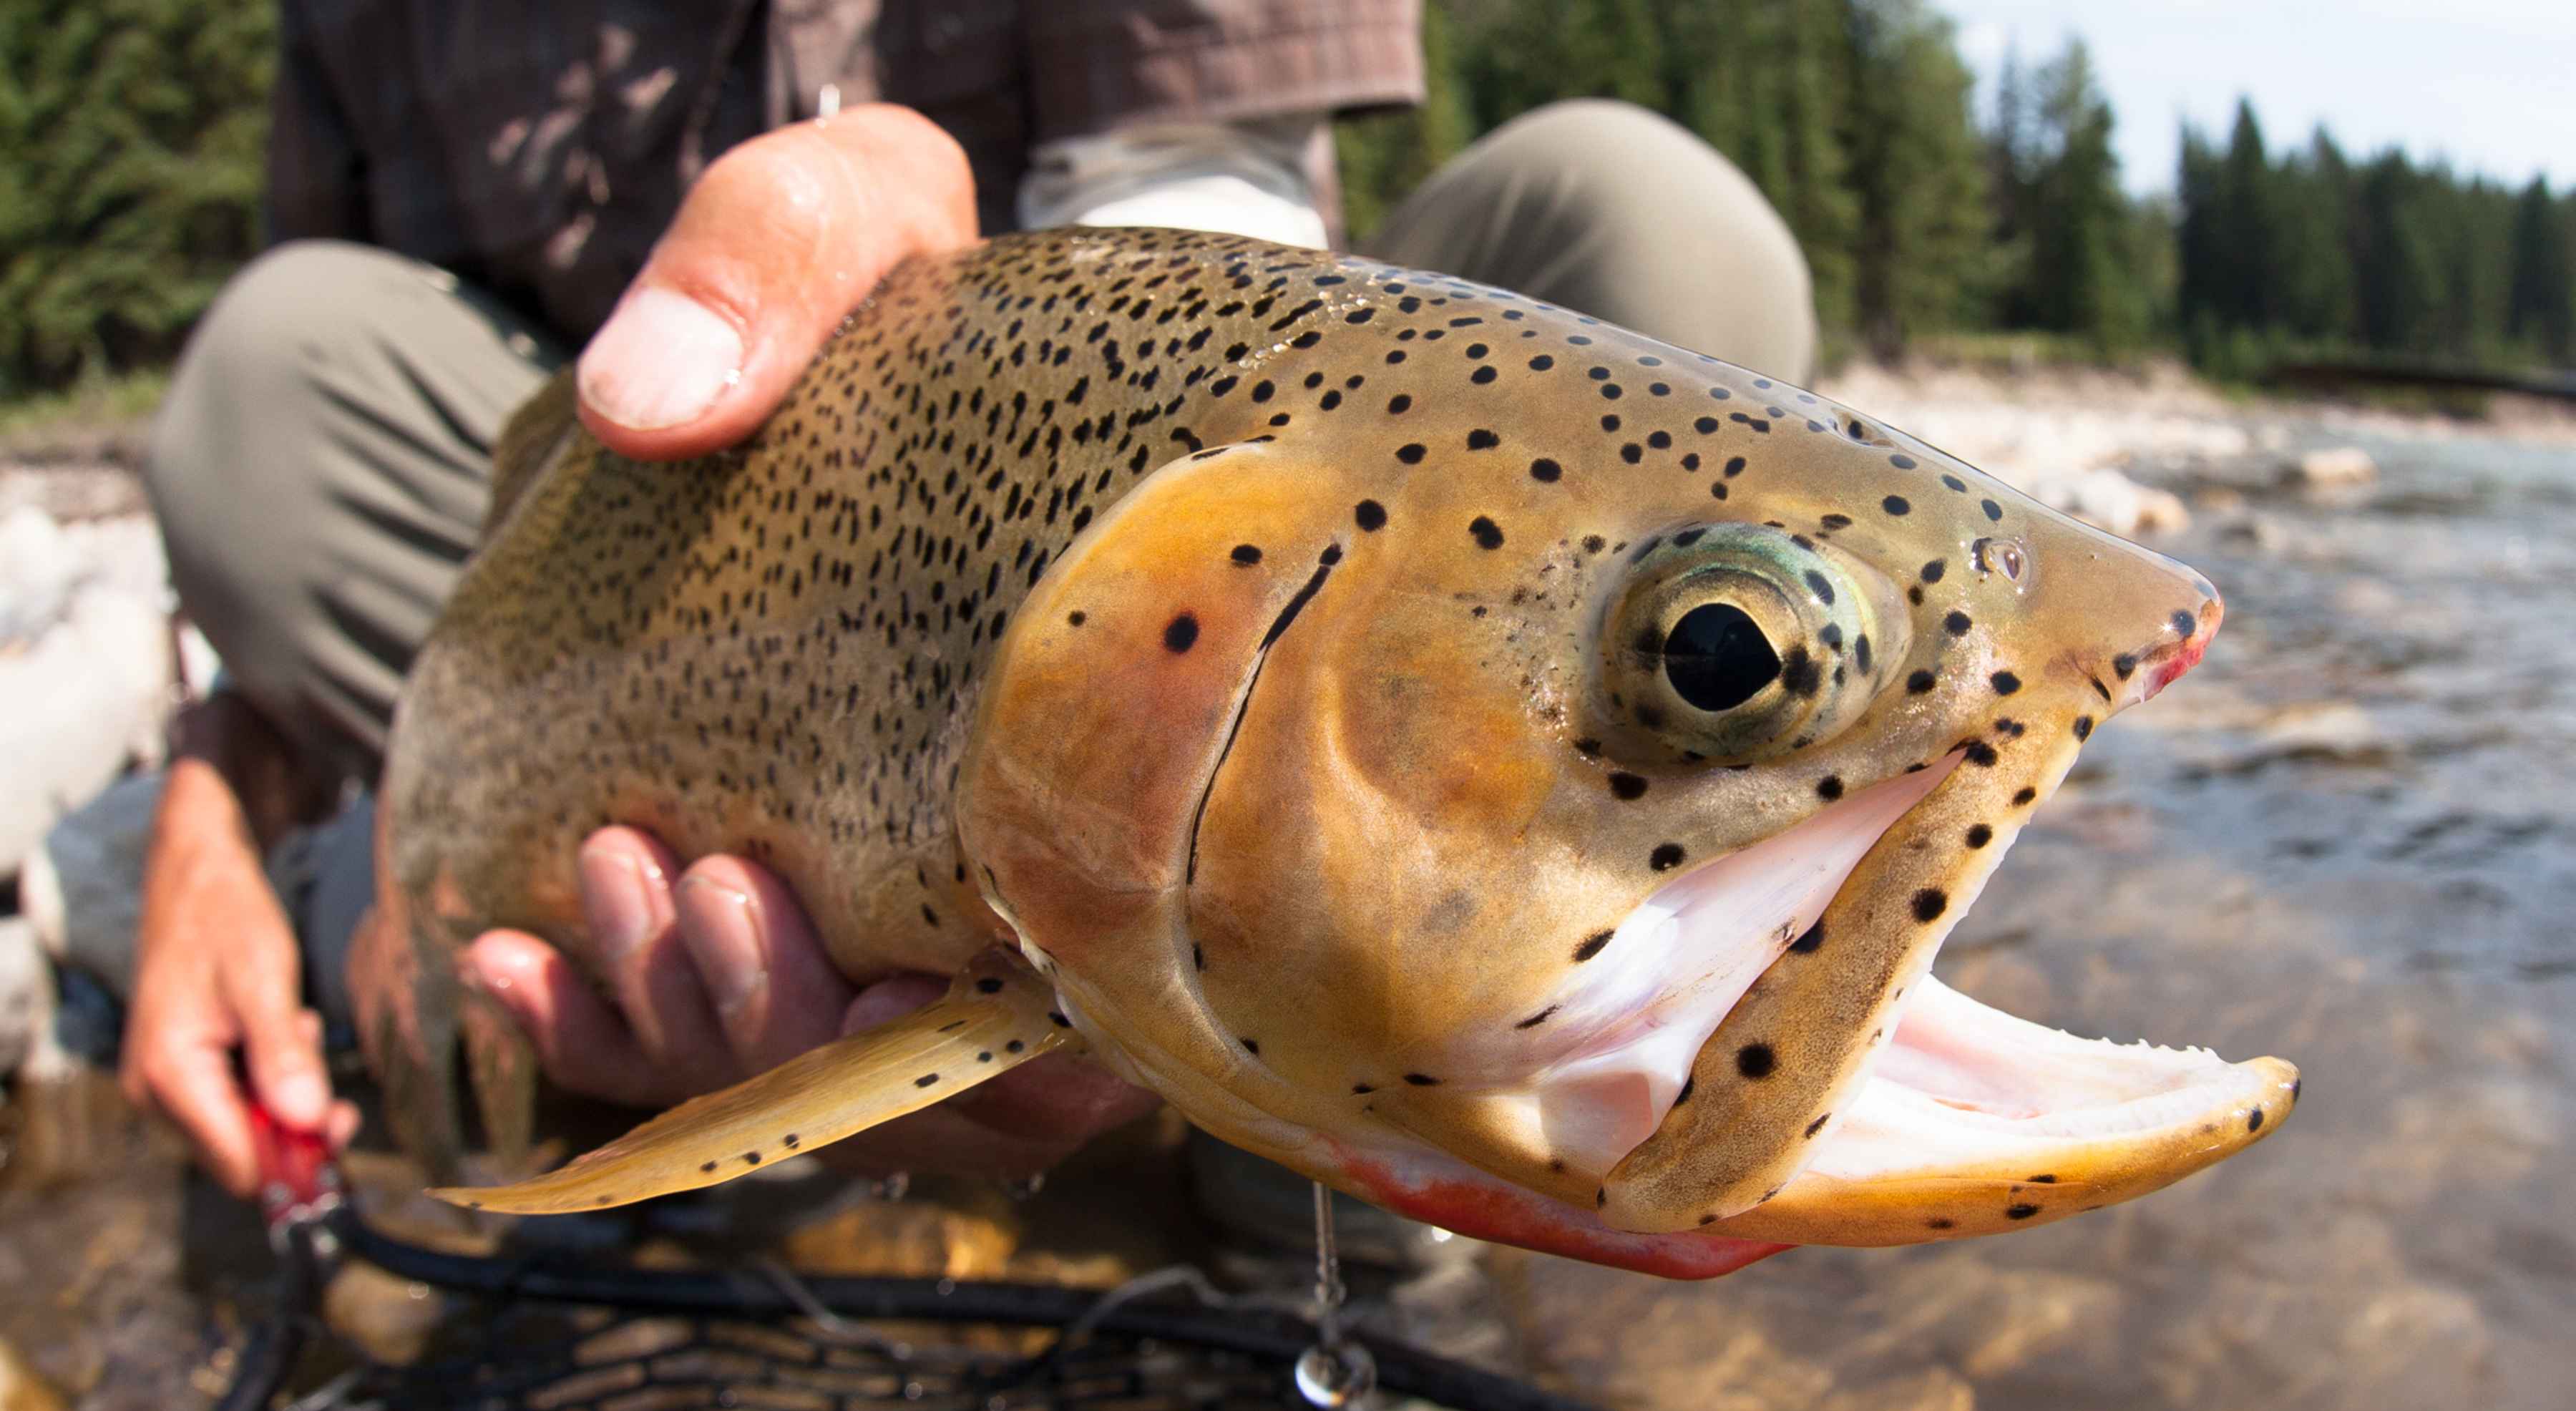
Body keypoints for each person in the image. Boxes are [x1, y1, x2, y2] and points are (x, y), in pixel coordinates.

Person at [105, 2, 1818, 1205]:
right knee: (271, 370)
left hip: (1137, 492)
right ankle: (633, 1001)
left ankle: (1363, 1120)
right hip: (654, 572)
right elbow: (420, 394)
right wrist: (211, 803)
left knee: (1651, 235)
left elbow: (1204, 214)